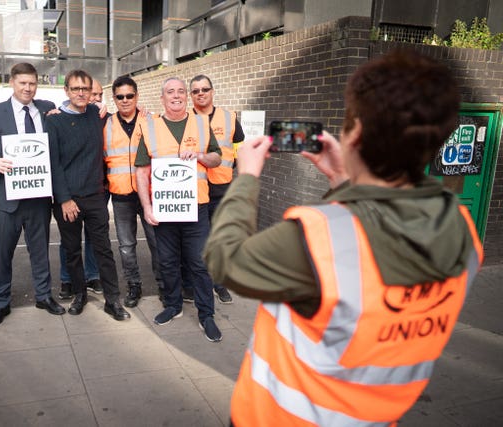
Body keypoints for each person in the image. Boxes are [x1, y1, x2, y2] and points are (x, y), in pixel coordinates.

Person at [203, 49, 483, 425]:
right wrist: (343, 182)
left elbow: (223, 259)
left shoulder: (317, 237)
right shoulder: (464, 230)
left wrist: (247, 176)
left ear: (356, 134)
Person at [0, 62, 65, 328]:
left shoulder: (47, 109)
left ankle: (43, 296)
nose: (27, 88)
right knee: (2, 254)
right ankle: (0, 303)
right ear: (12, 82)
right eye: (23, 83)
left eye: (32, 83)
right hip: (5, 198)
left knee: (40, 251)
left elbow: (77, 108)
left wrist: (98, 107)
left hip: (38, 197)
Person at [135, 77, 223, 342]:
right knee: (169, 262)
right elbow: (141, 172)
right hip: (165, 210)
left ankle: (206, 314)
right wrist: (147, 207)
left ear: (187, 97)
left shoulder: (201, 123)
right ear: (162, 98)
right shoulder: (150, 127)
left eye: (181, 92)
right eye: (170, 92)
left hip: (196, 208)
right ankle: (172, 305)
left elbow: (217, 159)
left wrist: (199, 156)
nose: (176, 96)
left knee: (199, 262)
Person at [46, 69, 130, 321]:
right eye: (76, 89)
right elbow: (53, 162)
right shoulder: (54, 120)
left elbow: (126, 118)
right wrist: (64, 199)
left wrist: (144, 110)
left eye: (86, 89)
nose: (81, 94)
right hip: (68, 199)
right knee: (72, 251)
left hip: (95, 196)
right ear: (66, 91)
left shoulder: (97, 114)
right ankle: (80, 294)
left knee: (104, 249)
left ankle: (113, 300)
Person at [104, 75, 163, 308]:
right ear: (114, 99)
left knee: (157, 242)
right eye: (120, 97)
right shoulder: (105, 123)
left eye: (130, 96)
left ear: (137, 96)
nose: (125, 100)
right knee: (126, 246)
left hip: (149, 194)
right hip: (121, 196)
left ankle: (164, 285)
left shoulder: (154, 121)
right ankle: (134, 285)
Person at [187, 74, 245, 304]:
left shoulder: (229, 118)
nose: (200, 93)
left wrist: (233, 169)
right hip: (194, 190)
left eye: (204, 89)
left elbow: (239, 147)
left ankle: (219, 284)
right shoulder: (184, 118)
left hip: (221, 188)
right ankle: (196, 284)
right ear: (191, 95)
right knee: (196, 241)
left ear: (212, 91)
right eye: (195, 91)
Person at [57, 78, 106, 299]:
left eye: (98, 95)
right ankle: (68, 279)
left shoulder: (102, 116)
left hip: (97, 188)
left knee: (95, 238)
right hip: (71, 191)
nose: (94, 98)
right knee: (70, 240)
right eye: (91, 93)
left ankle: (93, 275)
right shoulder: (59, 117)